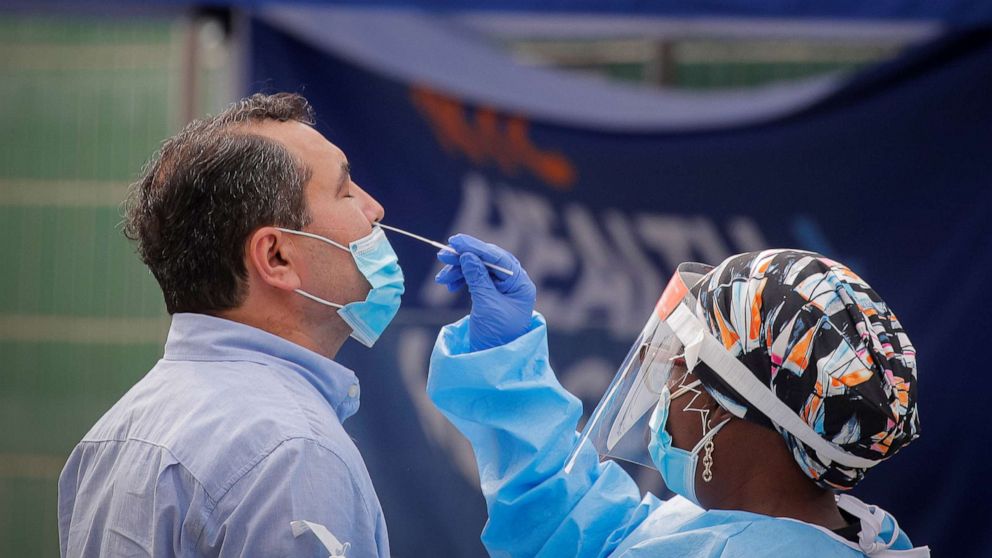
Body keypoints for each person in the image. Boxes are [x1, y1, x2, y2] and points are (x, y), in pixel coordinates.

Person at [426, 238, 929, 557]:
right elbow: (581, 533)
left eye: (679, 362)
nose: (665, 378)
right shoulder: (833, 534)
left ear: (723, 409)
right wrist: (506, 360)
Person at [58, 93, 402, 557]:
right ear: (276, 256)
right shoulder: (294, 451)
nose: (374, 208)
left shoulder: (114, 431)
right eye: (345, 191)